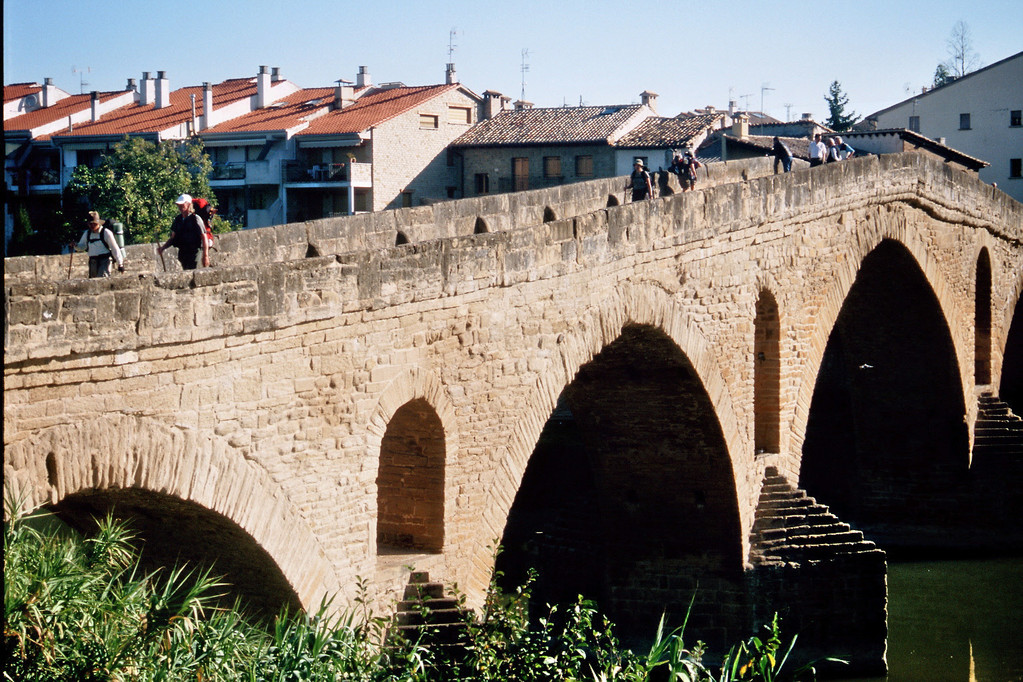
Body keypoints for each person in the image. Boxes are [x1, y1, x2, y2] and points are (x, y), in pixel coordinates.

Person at [158, 194, 209, 270]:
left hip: (194, 252)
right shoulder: (178, 219)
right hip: (183, 252)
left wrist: (205, 256)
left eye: (182, 205)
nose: (180, 207)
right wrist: (163, 248)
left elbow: (204, 237)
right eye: (179, 205)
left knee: (191, 270)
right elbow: (173, 238)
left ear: (188, 205)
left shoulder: (196, 219)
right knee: (186, 270)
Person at [75, 211, 125, 278]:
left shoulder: (106, 232)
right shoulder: (87, 233)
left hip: (105, 261)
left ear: (98, 223)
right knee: (93, 283)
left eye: (94, 224)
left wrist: (120, 264)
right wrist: (75, 245)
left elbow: (114, 248)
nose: (92, 226)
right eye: (90, 224)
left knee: (102, 280)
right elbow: (82, 247)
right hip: (93, 262)